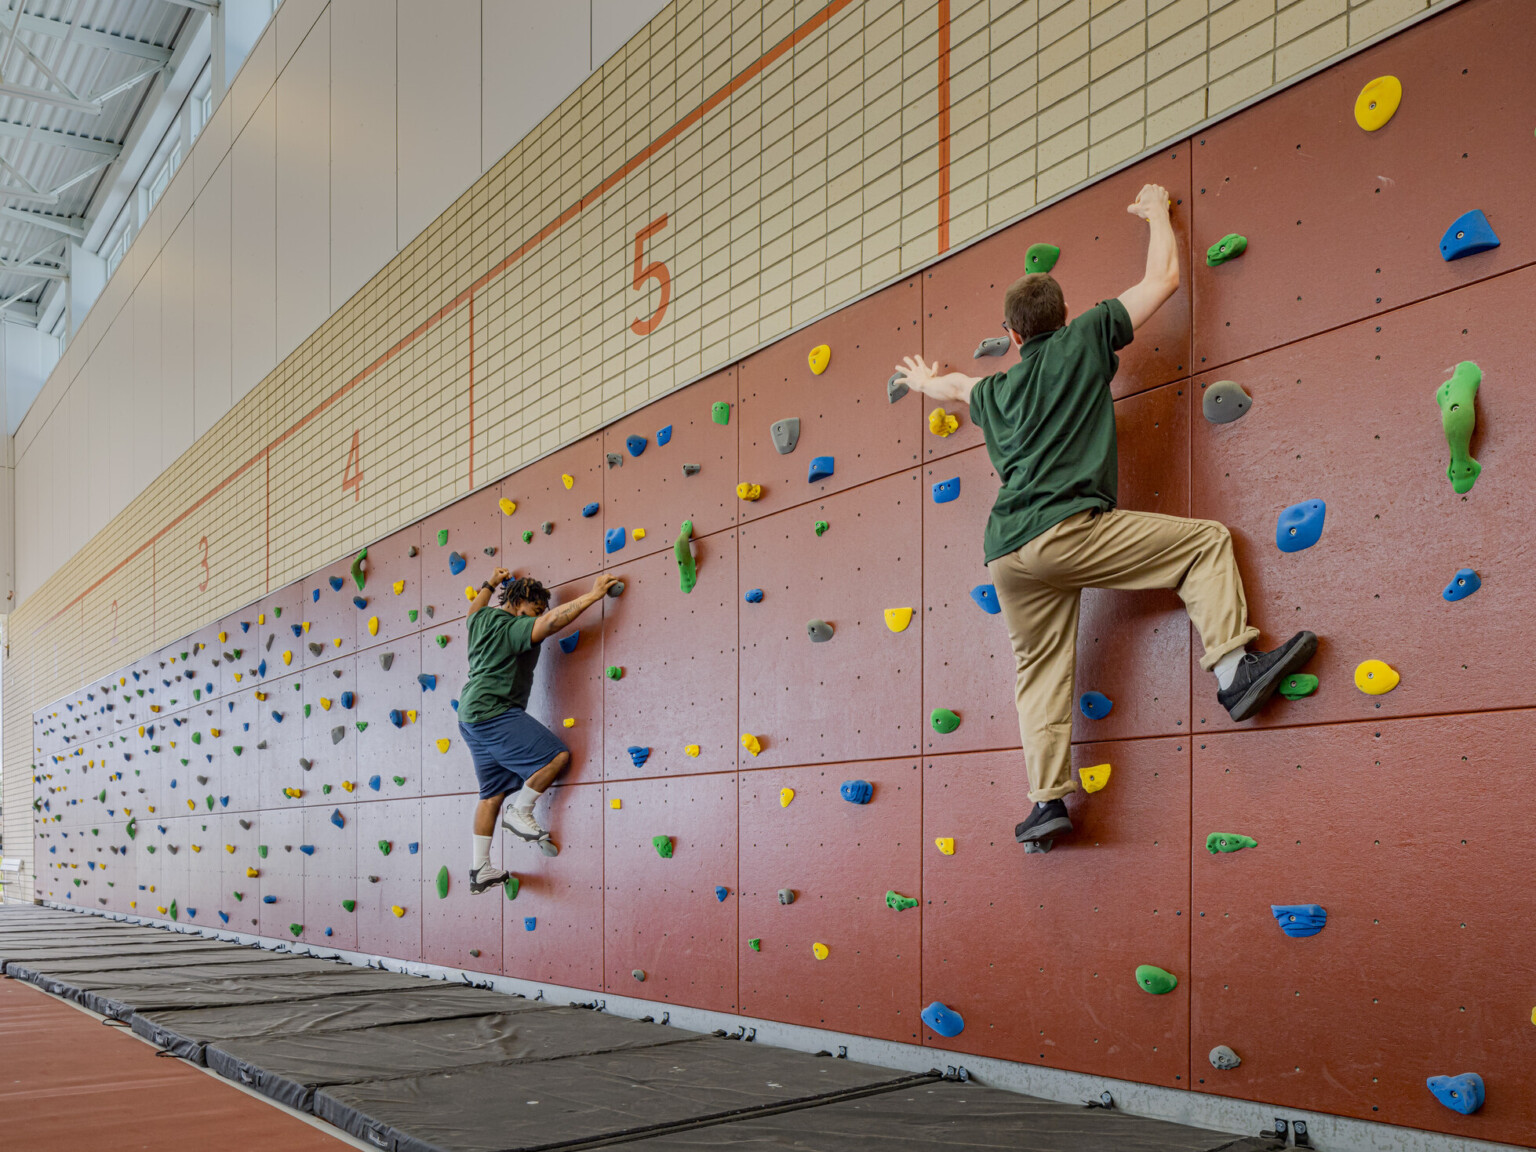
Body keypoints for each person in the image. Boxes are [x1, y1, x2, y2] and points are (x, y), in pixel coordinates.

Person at [895, 182, 1316, 852]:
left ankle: (1045, 805)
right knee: (1206, 544)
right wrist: (1156, 213)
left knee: (1038, 670)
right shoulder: (1087, 335)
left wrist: (923, 383)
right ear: (1063, 318)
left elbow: (956, 386)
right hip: (1068, 530)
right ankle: (1235, 672)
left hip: (1007, 553)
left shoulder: (996, 389)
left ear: (1011, 335)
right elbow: (1165, 279)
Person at [459, 567, 618, 892]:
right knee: (556, 757)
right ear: (520, 601)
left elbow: (473, 609)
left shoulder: (481, 620)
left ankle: (480, 869)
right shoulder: (513, 627)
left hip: (469, 715)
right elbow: (550, 624)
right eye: (535, 609)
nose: (538, 616)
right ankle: (522, 810)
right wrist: (594, 594)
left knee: (491, 795)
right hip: (493, 709)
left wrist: (489, 582)